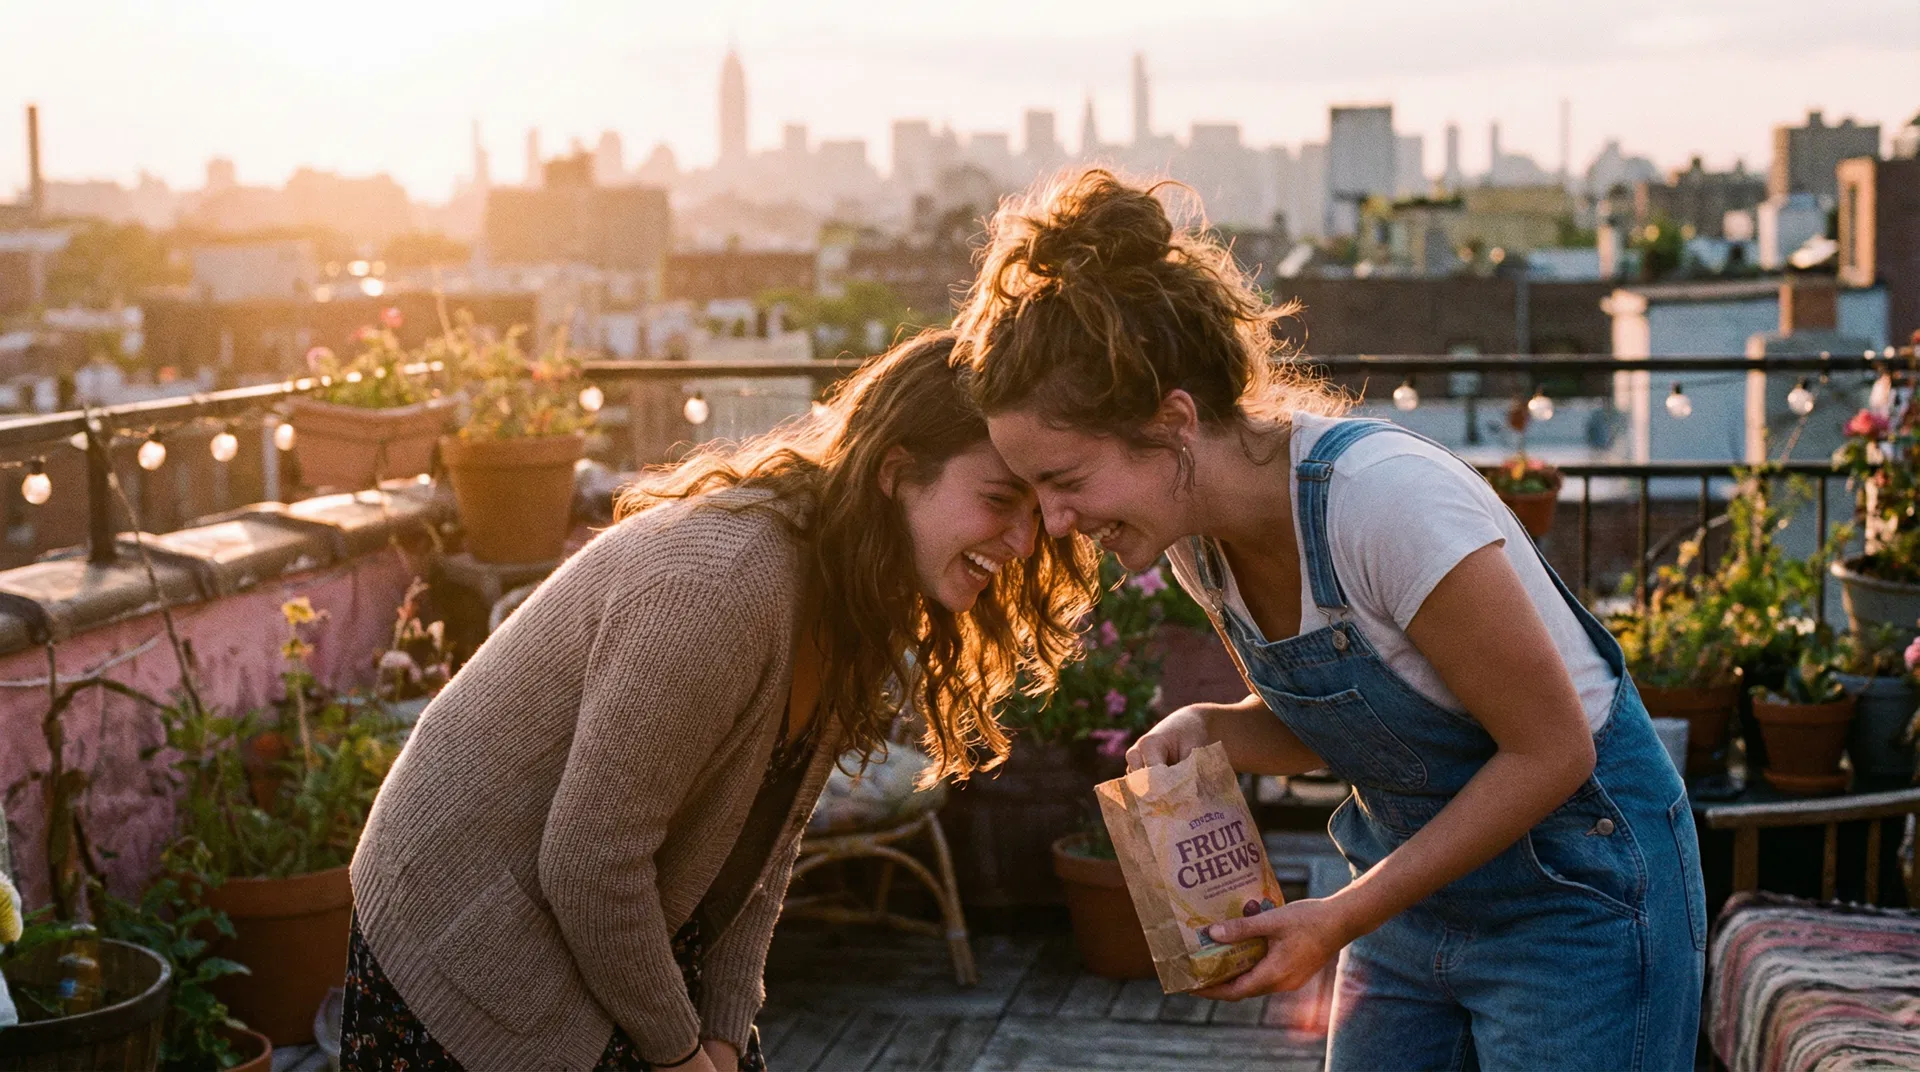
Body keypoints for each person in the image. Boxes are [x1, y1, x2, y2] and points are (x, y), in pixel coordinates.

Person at [953, 168, 1707, 1071]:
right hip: (1411, 894)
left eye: (1065, 481)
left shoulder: (1382, 503)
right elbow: (1380, 719)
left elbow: (1551, 751)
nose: (1055, 520)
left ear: (1176, 422)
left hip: (1580, 897)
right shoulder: (1196, 536)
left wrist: (1341, 916)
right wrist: (1212, 729)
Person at [344, 332, 1096, 1072]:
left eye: (1035, 510)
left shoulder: (851, 586)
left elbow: (760, 848)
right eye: (1000, 500)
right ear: (896, 473)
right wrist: (678, 1055)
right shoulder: (717, 590)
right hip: (459, 922)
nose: (1025, 543)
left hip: (587, 916)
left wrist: (728, 1032)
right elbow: (589, 863)